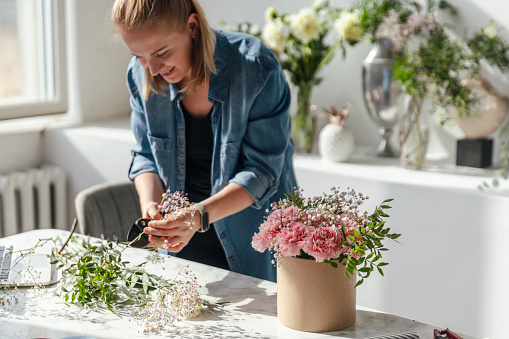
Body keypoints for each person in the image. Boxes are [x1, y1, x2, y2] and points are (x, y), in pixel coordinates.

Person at [112, 0, 297, 282]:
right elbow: (145, 155)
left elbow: (262, 172)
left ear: (193, 26)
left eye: (161, 53)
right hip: (182, 247)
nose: (153, 69)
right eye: (139, 55)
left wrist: (197, 216)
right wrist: (151, 206)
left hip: (254, 247)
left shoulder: (256, 68)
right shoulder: (140, 75)